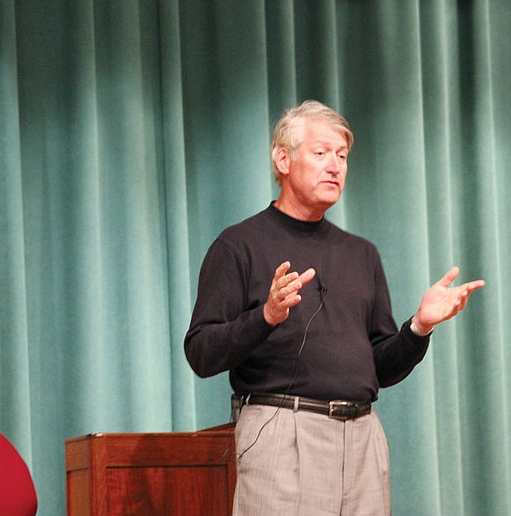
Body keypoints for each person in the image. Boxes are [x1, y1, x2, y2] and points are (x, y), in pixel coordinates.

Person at [184, 100, 485, 515]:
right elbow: (200, 352)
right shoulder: (239, 246)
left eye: (342, 156)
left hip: (362, 437)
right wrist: (266, 316)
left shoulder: (361, 254)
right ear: (283, 158)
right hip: (281, 432)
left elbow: (380, 367)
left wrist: (418, 327)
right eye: (321, 152)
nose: (335, 166)